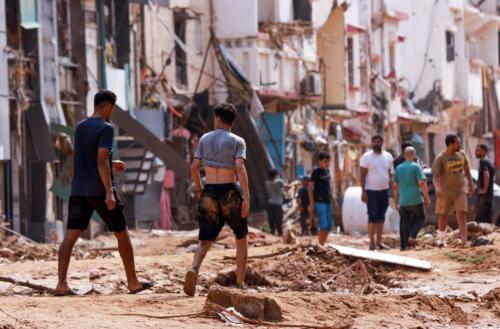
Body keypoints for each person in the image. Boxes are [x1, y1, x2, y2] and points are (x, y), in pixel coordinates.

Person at [55, 90, 152, 296]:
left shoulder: (80, 126)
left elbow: (87, 157)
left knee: (71, 235)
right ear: (108, 106)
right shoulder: (106, 128)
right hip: (99, 189)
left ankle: (61, 284)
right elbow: (99, 161)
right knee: (122, 233)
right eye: (113, 108)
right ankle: (133, 282)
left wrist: (111, 162)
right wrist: (109, 191)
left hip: (79, 189)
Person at [184, 103, 250, 296]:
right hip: (230, 191)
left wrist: (199, 189)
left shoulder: (205, 139)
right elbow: (240, 169)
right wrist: (246, 196)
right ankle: (239, 283)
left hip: (210, 191)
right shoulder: (238, 141)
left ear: (219, 118)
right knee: (241, 238)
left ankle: (194, 269)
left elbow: (194, 167)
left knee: (205, 238)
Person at [432, 134, 474, 248]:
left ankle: (464, 241)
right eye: (457, 142)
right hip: (445, 191)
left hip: (460, 190)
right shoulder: (441, 158)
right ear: (450, 144)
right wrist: (437, 188)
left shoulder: (462, 154)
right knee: (444, 215)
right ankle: (441, 239)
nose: (459, 144)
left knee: (461, 214)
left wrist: (471, 185)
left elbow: (467, 170)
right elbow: (435, 176)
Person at [393, 147, 431, 251]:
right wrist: (427, 198)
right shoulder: (416, 167)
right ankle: (412, 236)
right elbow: (422, 183)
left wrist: (396, 201)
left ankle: (405, 246)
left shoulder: (399, 168)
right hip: (415, 199)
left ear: (404, 156)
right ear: (414, 155)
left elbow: (395, 186)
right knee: (421, 218)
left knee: (406, 221)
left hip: (403, 201)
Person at [360, 134, 394, 250]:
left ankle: (379, 242)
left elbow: (390, 174)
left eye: (378, 141)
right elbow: (362, 175)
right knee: (372, 217)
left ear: (382, 142)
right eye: (374, 142)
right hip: (371, 192)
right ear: (371, 143)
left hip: (384, 191)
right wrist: (363, 191)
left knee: (381, 217)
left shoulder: (388, 156)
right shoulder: (366, 157)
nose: (376, 144)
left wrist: (393, 189)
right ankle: (371, 243)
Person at [308, 152, 338, 245]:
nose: (327, 163)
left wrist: (334, 201)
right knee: (323, 224)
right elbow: (310, 187)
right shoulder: (316, 172)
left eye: (328, 161)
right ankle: (320, 245)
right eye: (325, 161)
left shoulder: (327, 171)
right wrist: (312, 203)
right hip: (319, 202)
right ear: (319, 161)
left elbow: (328, 188)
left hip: (328, 201)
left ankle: (322, 244)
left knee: (329, 225)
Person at [475, 144, 495, 223]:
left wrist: (484, 190)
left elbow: (486, 175)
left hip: (483, 198)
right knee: (487, 221)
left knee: (481, 222)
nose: (475, 152)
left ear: (483, 151)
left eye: (478, 150)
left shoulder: (483, 162)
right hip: (489, 197)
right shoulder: (489, 162)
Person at [265, 169, 284, 236]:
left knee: (271, 220)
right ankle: (280, 234)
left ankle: (272, 233)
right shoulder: (279, 182)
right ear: (276, 175)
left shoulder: (267, 183)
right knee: (279, 221)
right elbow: (282, 184)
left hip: (270, 203)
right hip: (278, 204)